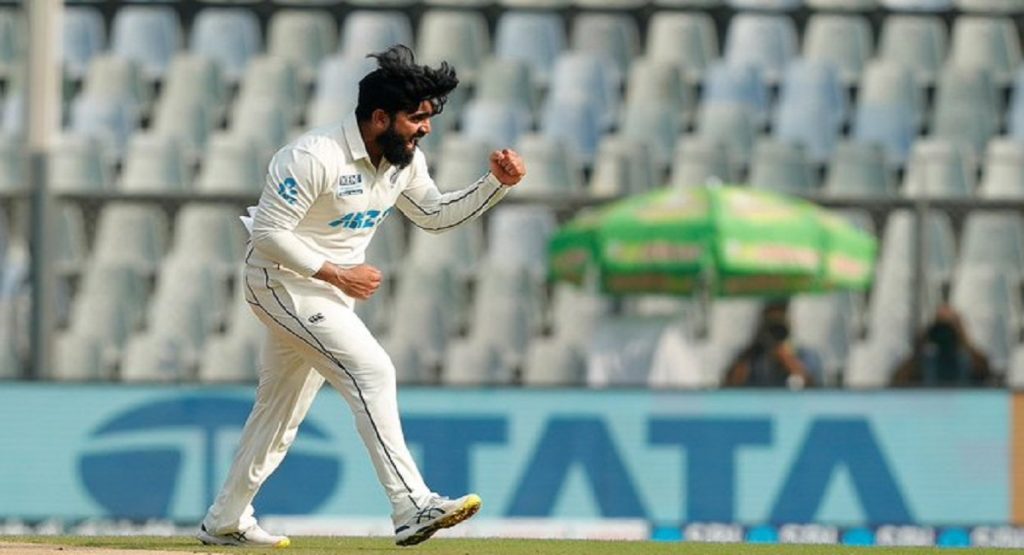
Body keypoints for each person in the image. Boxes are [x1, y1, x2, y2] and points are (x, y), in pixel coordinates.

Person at [196, 45, 525, 548]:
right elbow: (267, 233)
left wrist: (494, 185)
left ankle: (226, 519)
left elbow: (434, 215)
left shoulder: (403, 162)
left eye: (429, 119)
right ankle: (411, 505)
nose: (425, 129)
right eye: (416, 118)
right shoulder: (313, 156)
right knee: (372, 371)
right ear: (379, 117)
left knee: (280, 413)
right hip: (279, 282)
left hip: (328, 293)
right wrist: (337, 274)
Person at [723, 300, 822, 388]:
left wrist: (785, 357)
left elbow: (810, 385)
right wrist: (752, 352)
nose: (774, 333)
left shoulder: (804, 354)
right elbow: (731, 384)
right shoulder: (751, 355)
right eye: (770, 325)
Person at [891, 303, 990, 387]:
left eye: (949, 327)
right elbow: (897, 382)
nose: (945, 333)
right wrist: (919, 346)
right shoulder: (922, 363)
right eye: (941, 326)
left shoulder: (969, 362)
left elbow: (986, 374)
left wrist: (964, 340)